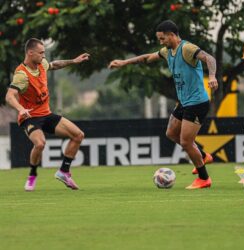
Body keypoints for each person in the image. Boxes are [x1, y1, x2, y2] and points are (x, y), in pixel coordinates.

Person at [109, 20, 218, 189]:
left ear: (172, 35)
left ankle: (204, 179)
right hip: (183, 102)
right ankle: (203, 156)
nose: (161, 42)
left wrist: (212, 76)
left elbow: (209, 58)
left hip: (197, 103)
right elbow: (147, 58)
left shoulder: (187, 48)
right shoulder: (167, 51)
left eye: (162, 38)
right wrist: (124, 62)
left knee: (187, 142)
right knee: (171, 133)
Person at [5, 38, 90, 191]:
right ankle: (32, 175)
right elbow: (9, 96)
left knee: (78, 135)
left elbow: (54, 64)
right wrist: (20, 109)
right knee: (40, 144)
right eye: (41, 53)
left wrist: (74, 61)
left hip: (46, 114)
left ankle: (64, 172)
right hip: (29, 117)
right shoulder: (22, 75)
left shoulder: (41, 64)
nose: (44, 56)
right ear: (30, 53)